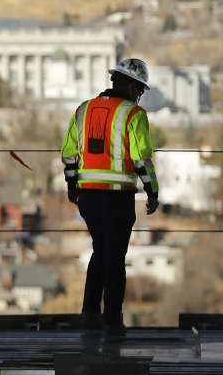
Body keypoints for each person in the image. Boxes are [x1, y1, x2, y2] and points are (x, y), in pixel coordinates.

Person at [59, 57, 160, 338]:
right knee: (115, 257)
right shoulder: (133, 115)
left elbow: (69, 152)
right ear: (130, 85)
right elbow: (141, 159)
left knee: (100, 251)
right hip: (117, 198)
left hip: (88, 197)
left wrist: (72, 183)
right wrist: (152, 191)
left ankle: (89, 313)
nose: (139, 96)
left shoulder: (83, 110)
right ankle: (112, 321)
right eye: (139, 90)